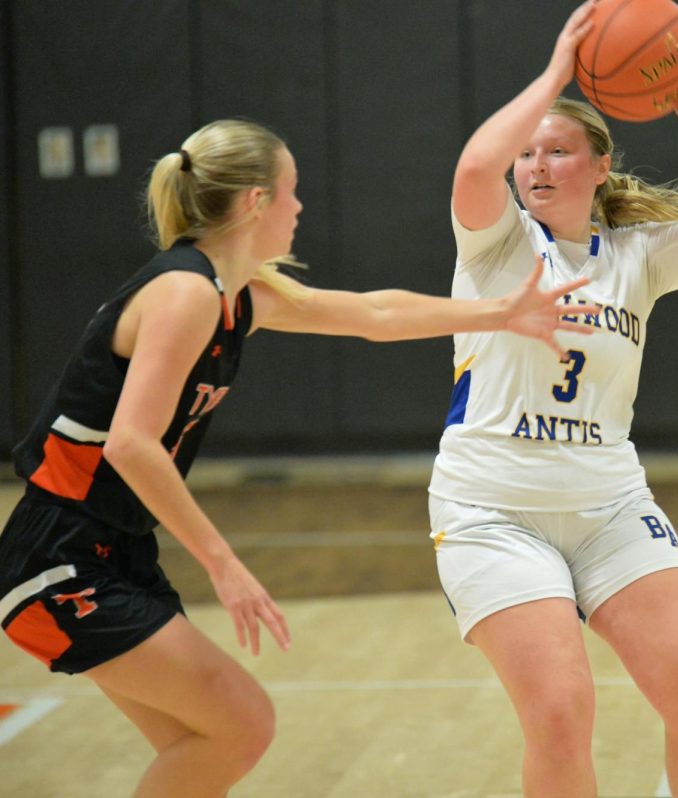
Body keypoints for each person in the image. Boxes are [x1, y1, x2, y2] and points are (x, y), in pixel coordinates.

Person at [0, 118, 599, 798]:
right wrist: (225, 566)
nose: (300, 207)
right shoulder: (185, 293)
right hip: (61, 558)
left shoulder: (236, 297)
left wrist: (499, 313)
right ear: (256, 202)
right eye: (291, 191)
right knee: (242, 725)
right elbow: (130, 444)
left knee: (201, 750)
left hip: (116, 551)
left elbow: (372, 313)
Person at [427, 3, 678, 796]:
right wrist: (555, 74)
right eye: (528, 154)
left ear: (601, 165)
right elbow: (473, 173)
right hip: (492, 510)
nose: (537, 166)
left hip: (610, 505)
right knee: (559, 713)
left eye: (558, 150)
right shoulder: (497, 243)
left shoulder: (636, 258)